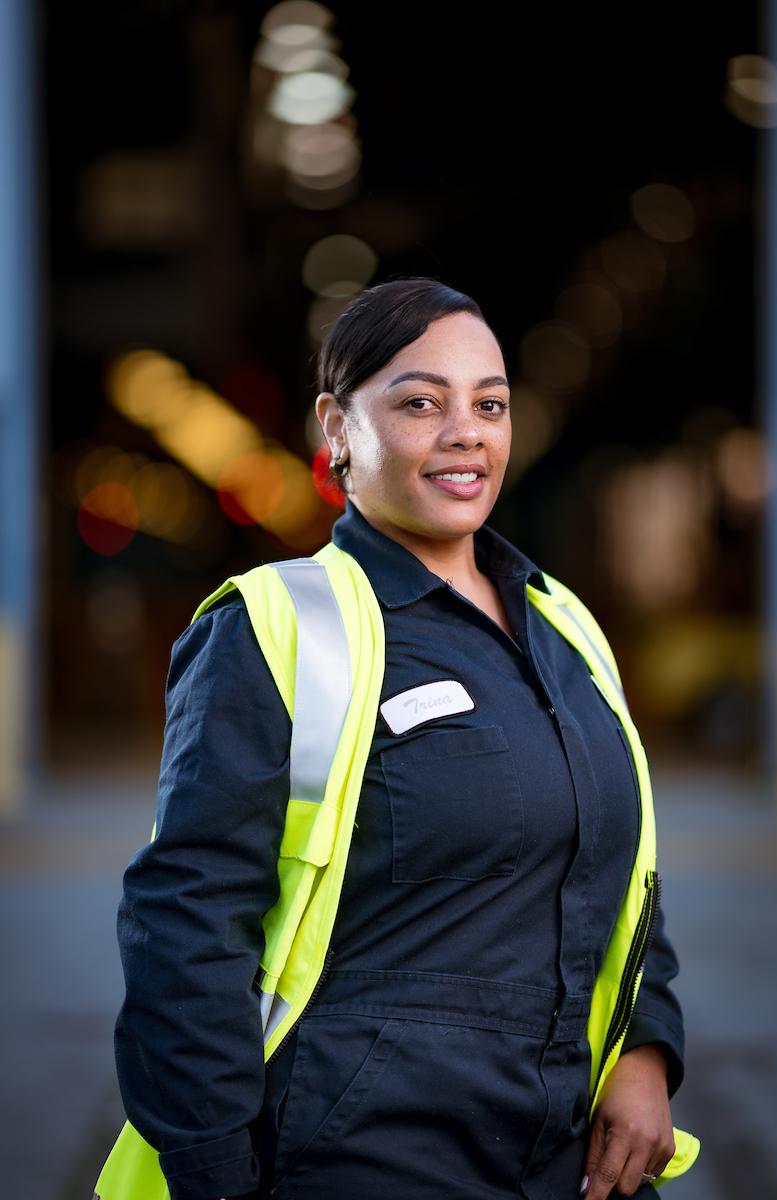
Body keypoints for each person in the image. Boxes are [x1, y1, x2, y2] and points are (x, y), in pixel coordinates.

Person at [97, 277, 699, 1200]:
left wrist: (645, 1047)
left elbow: (620, 877)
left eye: (489, 405)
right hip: (363, 1153)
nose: (466, 432)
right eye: (421, 403)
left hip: (568, 1156)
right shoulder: (274, 627)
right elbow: (184, 925)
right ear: (336, 427)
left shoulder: (565, 625)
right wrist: (215, 1177)